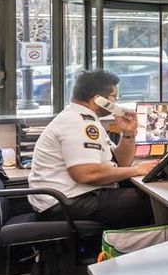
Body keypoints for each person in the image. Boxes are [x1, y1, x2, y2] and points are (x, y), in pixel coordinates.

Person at [29, 69, 157, 230]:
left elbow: (121, 162)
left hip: (68, 198)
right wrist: (138, 170)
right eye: (114, 97)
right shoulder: (78, 123)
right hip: (65, 204)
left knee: (143, 193)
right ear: (99, 100)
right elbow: (85, 174)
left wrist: (128, 134)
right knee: (153, 201)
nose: (116, 103)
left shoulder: (85, 118)